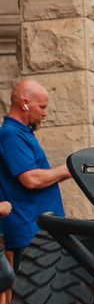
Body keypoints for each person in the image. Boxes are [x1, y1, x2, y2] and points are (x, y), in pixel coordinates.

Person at [0, 80, 70, 292]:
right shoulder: (11, 134)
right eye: (42, 107)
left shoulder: (21, 132)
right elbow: (30, 179)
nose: (45, 113)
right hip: (31, 231)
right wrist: (67, 170)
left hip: (38, 230)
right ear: (24, 104)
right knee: (37, 295)